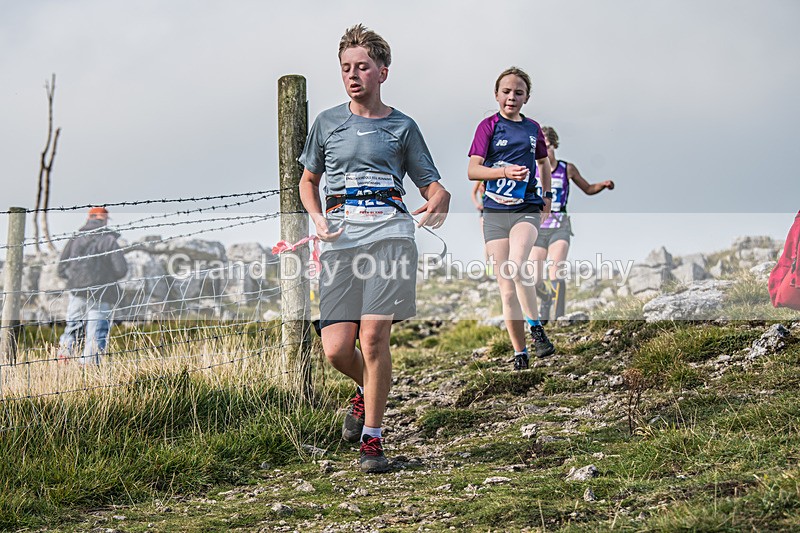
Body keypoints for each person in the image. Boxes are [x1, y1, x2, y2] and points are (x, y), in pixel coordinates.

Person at [298, 24, 450, 473]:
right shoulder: (327, 123)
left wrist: (440, 198)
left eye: (362, 66)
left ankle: (373, 442)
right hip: (341, 242)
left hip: (390, 238)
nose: (352, 75)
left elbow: (432, 185)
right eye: (346, 67)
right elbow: (308, 181)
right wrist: (317, 217)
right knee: (336, 348)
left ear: (382, 71)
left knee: (373, 336)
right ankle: (368, 390)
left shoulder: (403, 127)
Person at [467, 67, 556, 371]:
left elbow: (544, 163)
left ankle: (536, 328)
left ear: (527, 97)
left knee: (516, 266)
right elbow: (473, 171)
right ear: (496, 94)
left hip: (526, 208)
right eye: (506, 91)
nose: (512, 97)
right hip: (494, 213)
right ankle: (520, 352)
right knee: (506, 289)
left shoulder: (533, 129)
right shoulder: (488, 127)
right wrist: (503, 172)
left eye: (518, 92)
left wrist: (547, 195)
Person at [529, 126, 615, 322]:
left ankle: (559, 317)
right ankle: (545, 302)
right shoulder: (532, 169)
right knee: (535, 279)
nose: (545, 151)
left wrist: (602, 185)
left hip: (560, 226)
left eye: (548, 146)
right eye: (541, 147)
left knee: (555, 272)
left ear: (555, 146)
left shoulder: (566, 168)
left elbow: (588, 188)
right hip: (537, 228)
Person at [57, 207, 128, 364]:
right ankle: (88, 368)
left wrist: (75, 279)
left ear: (89, 219)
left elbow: (61, 268)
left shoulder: (75, 238)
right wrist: (106, 277)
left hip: (77, 292)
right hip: (102, 293)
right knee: (96, 333)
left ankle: (64, 357)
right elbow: (121, 269)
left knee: (73, 327)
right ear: (103, 219)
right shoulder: (108, 240)